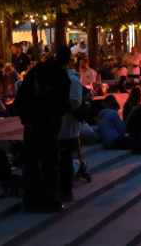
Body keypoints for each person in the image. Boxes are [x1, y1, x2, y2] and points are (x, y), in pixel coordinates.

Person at [16, 45, 73, 213]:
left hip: (33, 121)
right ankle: (50, 199)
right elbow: (62, 104)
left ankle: (31, 199)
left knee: (31, 161)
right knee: (49, 161)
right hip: (48, 123)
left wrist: (25, 115)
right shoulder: (61, 77)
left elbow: (22, 94)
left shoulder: (38, 70)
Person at [58, 52, 84, 203]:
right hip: (59, 125)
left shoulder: (72, 81)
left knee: (67, 159)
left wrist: (58, 106)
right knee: (62, 158)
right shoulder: (60, 79)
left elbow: (75, 102)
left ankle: (66, 190)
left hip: (68, 126)